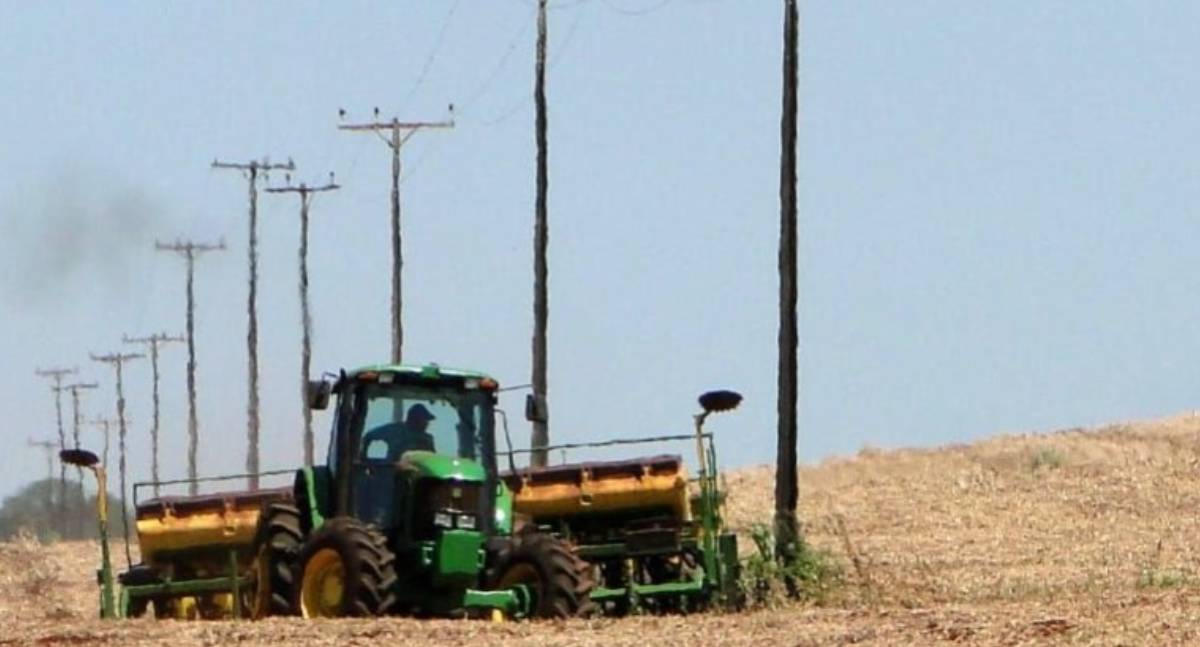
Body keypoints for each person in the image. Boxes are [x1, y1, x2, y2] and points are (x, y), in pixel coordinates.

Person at [362, 403, 437, 461]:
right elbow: (369, 436)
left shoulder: (428, 439)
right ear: (414, 419)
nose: (426, 424)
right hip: (392, 474)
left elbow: (433, 460)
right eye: (424, 420)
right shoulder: (395, 430)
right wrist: (363, 458)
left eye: (426, 421)